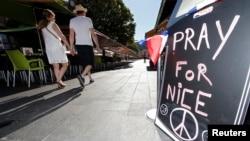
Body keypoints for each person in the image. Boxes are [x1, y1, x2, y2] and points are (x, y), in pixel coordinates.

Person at [38, 9, 72, 89]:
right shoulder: (53, 24)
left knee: (55, 66)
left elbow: (44, 39)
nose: (54, 18)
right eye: (53, 16)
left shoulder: (43, 27)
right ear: (49, 17)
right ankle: (58, 79)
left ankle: (59, 83)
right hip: (56, 46)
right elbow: (62, 36)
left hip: (48, 48)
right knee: (65, 64)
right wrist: (69, 46)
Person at [69, 4, 101, 88]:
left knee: (85, 63)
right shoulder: (87, 20)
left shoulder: (72, 21)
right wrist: (97, 45)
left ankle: (90, 78)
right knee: (90, 63)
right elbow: (93, 34)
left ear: (76, 13)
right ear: (83, 12)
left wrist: (71, 47)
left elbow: (71, 35)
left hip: (78, 44)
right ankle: (82, 76)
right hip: (87, 44)